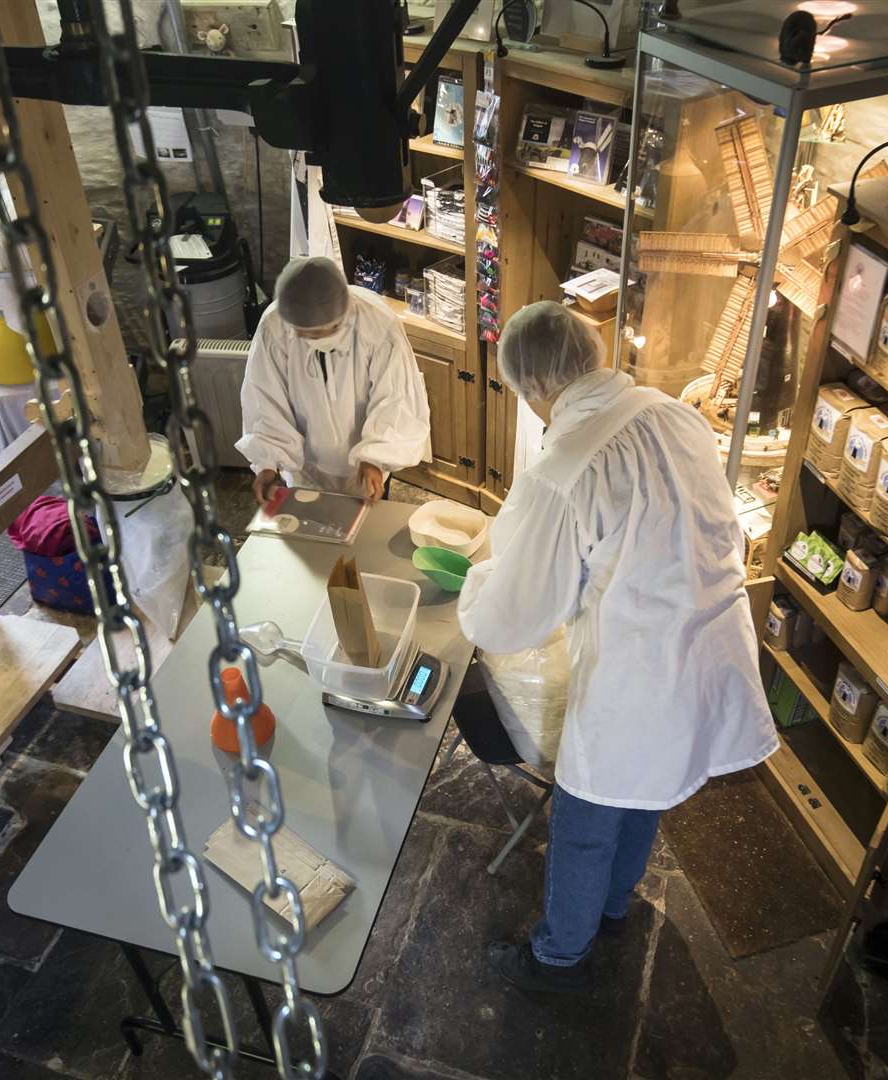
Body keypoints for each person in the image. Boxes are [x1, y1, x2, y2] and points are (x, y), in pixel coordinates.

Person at [458, 302, 778, 994]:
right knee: (645, 791)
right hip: (710, 639)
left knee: (586, 816)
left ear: (533, 387)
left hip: (638, 668)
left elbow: (514, 617)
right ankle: (611, 909)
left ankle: (558, 959)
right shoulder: (672, 413)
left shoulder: (565, 470)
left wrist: (479, 582)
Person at [237, 256, 431, 501]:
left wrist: (374, 457)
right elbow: (264, 398)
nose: (315, 339)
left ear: (344, 314)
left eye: (322, 331)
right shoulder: (275, 327)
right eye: (305, 333)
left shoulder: (377, 324)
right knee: (310, 532)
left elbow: (395, 399)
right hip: (303, 468)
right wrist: (268, 463)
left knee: (367, 532)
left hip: (364, 469)